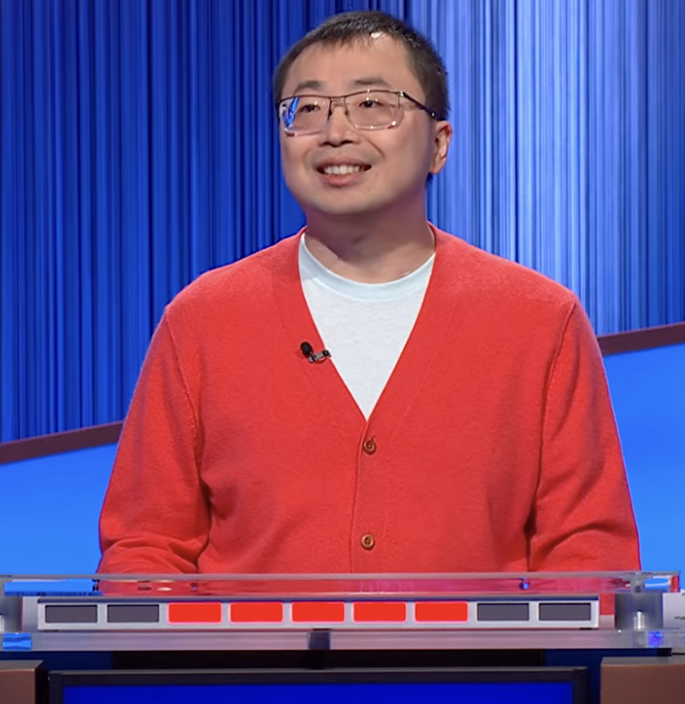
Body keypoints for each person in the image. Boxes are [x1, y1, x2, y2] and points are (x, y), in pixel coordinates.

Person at [97, 10, 640, 576]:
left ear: (439, 144)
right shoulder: (204, 319)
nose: (336, 131)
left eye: (372, 104)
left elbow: (589, 552)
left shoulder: (539, 320)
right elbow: (145, 548)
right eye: (308, 108)